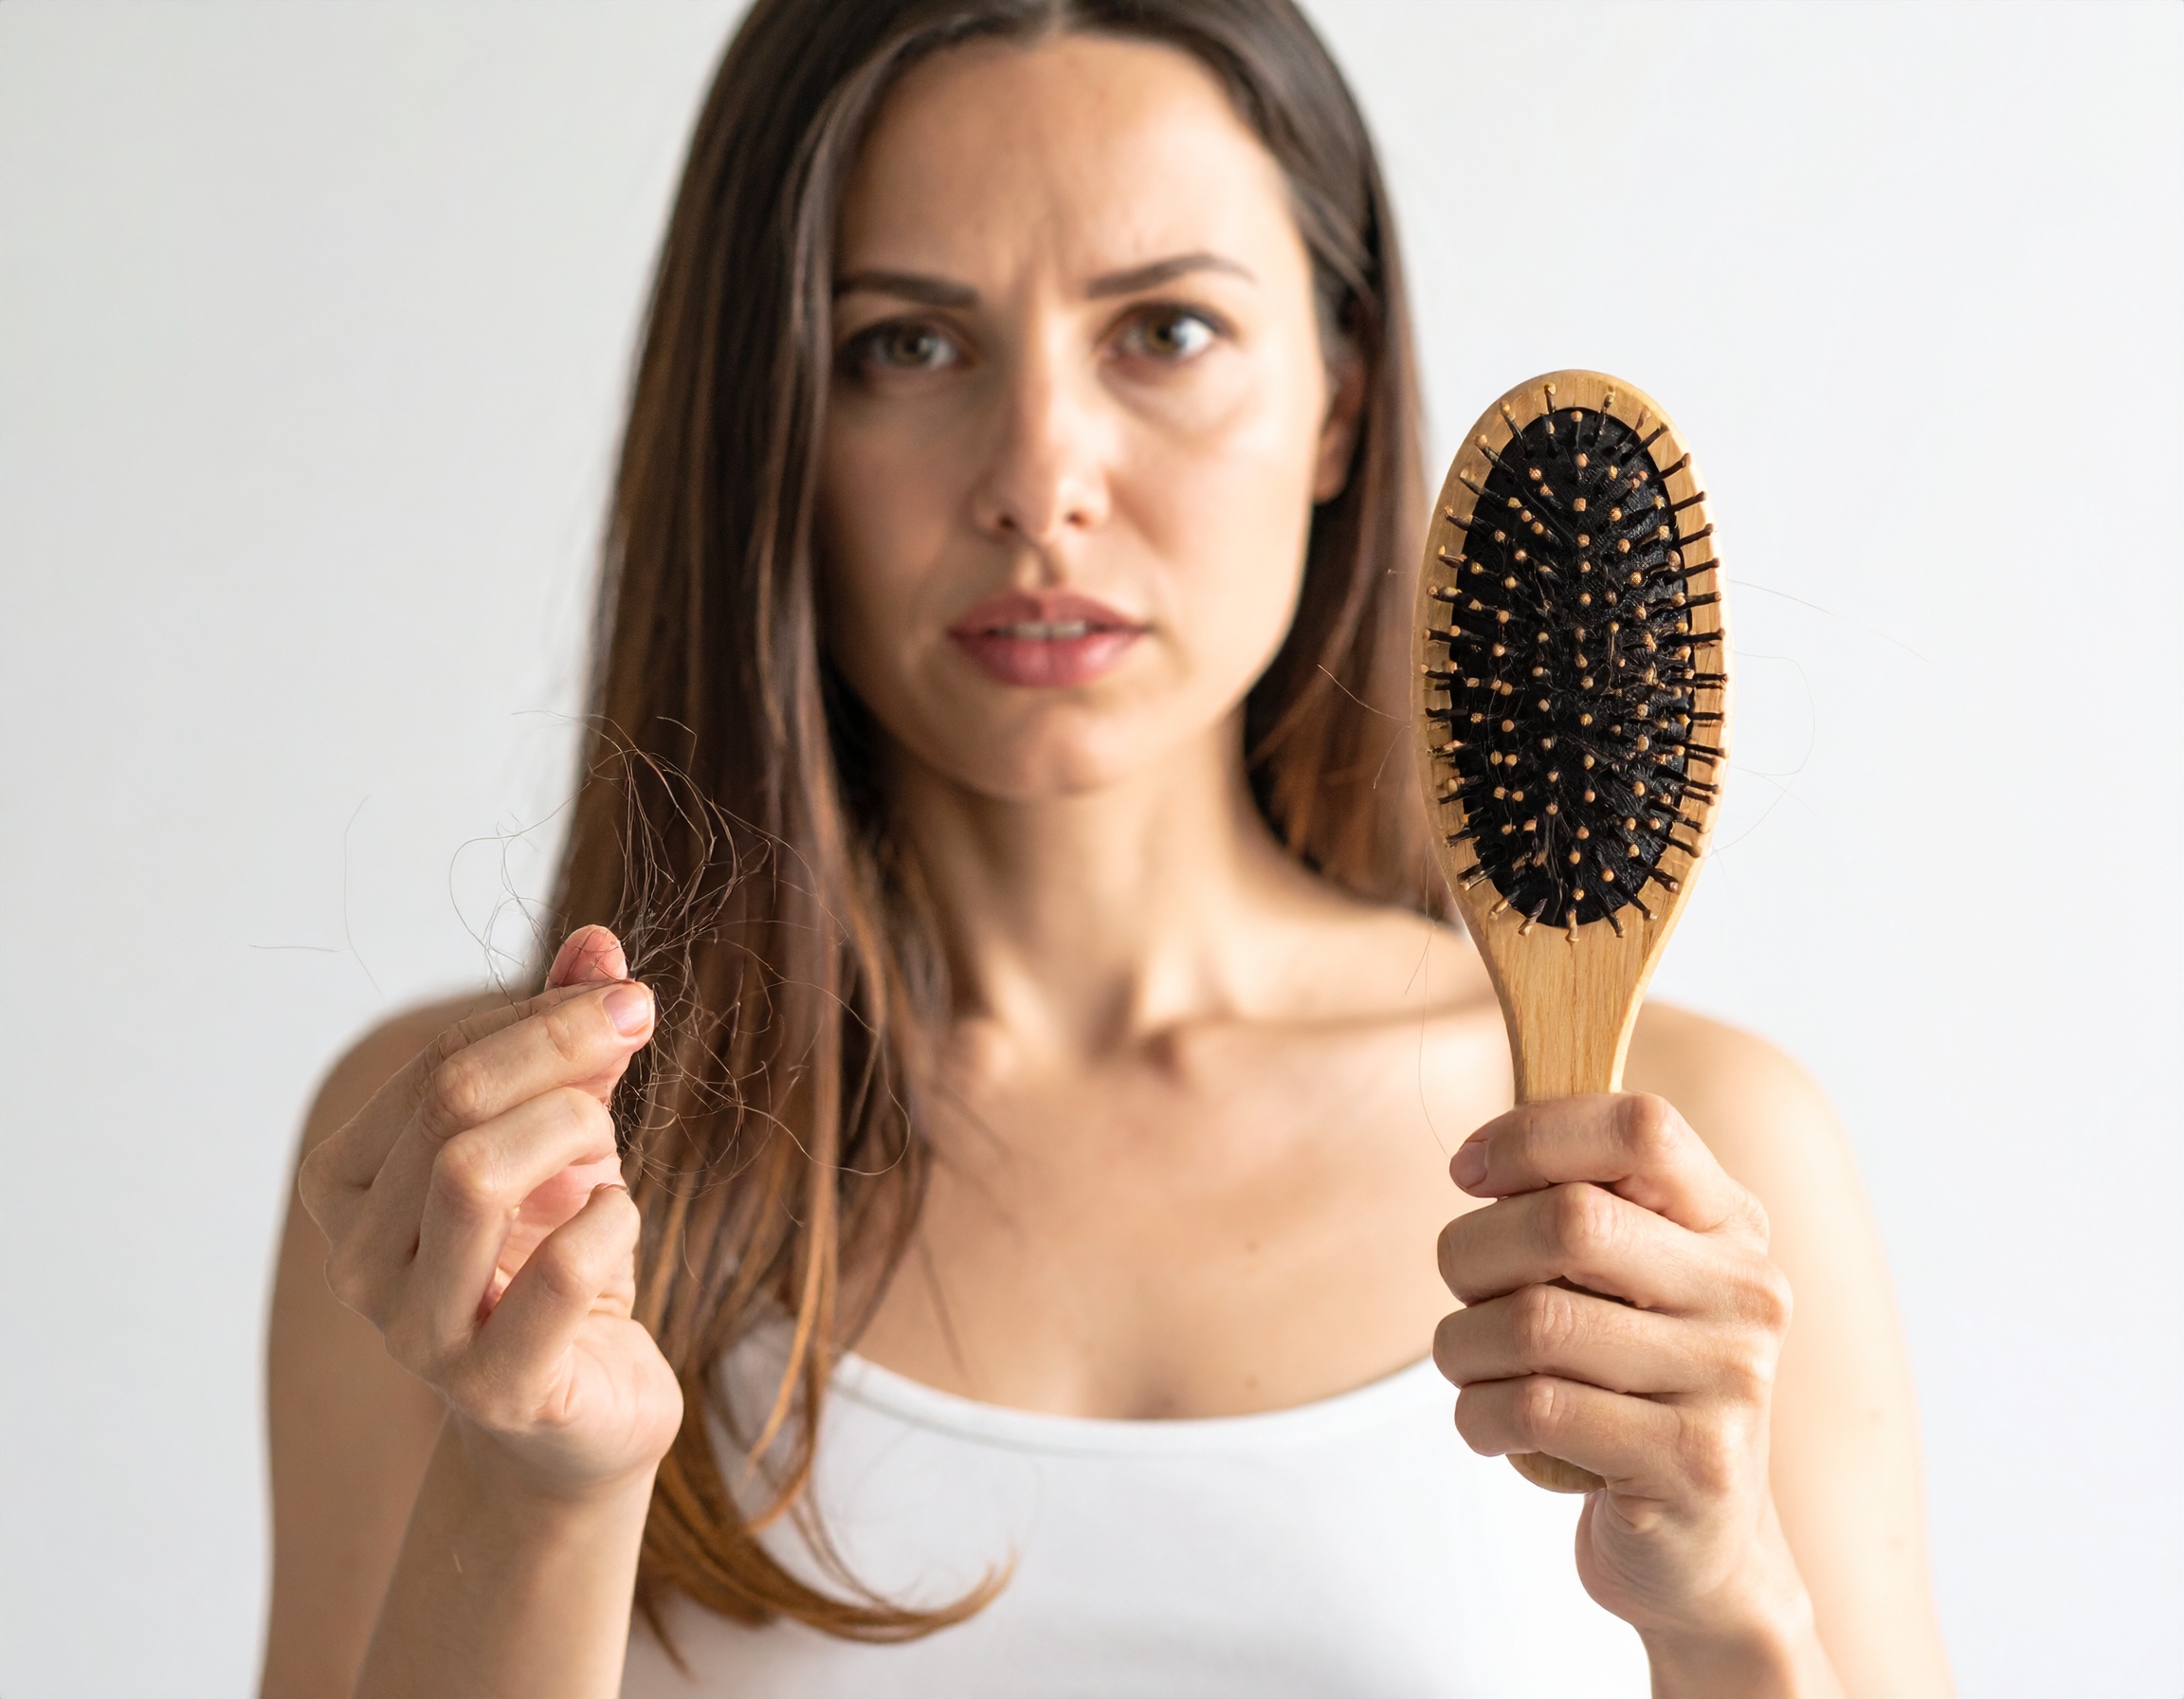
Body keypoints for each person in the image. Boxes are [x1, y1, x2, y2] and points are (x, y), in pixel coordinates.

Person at [262, 2, 1951, 1693]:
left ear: (1339, 403)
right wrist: (536, 1484)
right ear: (772, 420)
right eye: (907, 347)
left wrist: (1732, 1609)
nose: (1040, 480)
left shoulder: (1706, 1158)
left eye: (1164, 330)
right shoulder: (484, 1185)